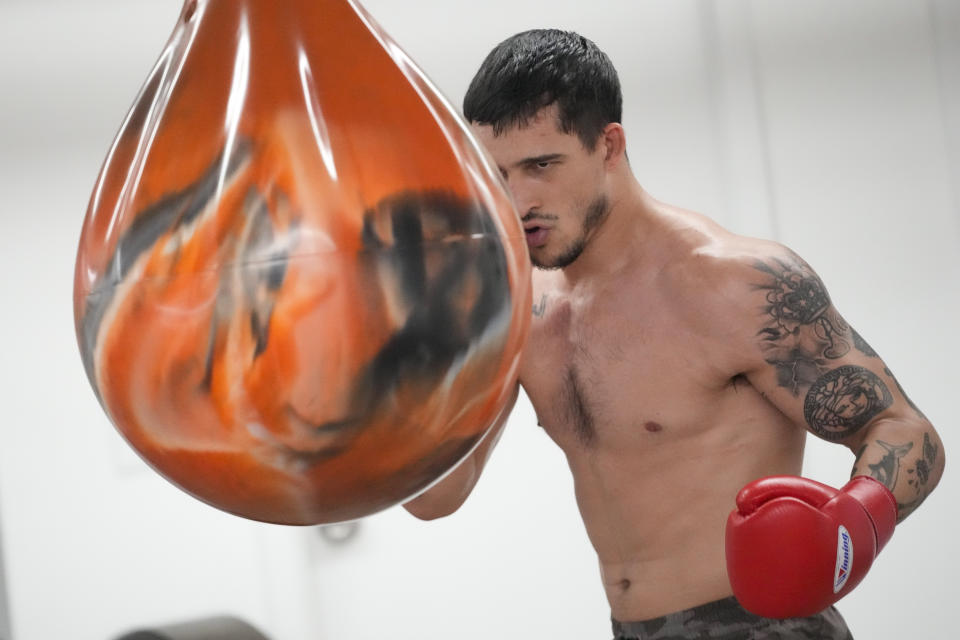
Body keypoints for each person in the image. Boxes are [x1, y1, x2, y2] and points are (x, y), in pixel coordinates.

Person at [403, 29, 944, 639]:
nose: (518, 199)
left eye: (542, 165)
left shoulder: (734, 285)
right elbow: (433, 497)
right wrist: (414, 350)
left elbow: (904, 430)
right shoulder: (519, 308)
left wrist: (852, 526)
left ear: (609, 146)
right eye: (497, 173)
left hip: (764, 627)